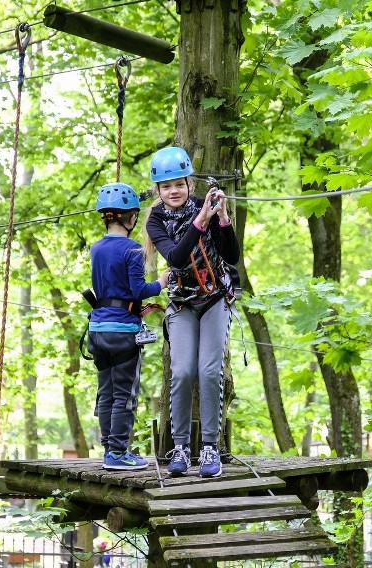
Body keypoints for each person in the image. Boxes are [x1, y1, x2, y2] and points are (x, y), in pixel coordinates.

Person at [142, 147, 240, 478]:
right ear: (158, 190)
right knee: (182, 372)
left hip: (214, 299)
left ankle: (210, 446)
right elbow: (176, 259)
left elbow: (231, 255)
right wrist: (200, 222)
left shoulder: (205, 206)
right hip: (182, 302)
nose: (174, 191)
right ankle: (180, 447)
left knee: (209, 371)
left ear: (188, 182)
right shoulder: (155, 221)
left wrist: (222, 220)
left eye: (179, 184)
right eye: (166, 186)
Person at [87, 182, 170, 470]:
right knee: (124, 394)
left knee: (107, 391)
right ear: (129, 217)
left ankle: (109, 448)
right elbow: (138, 290)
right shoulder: (133, 250)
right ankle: (118, 453)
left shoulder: (96, 249)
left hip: (97, 331)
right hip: (123, 333)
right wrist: (160, 283)